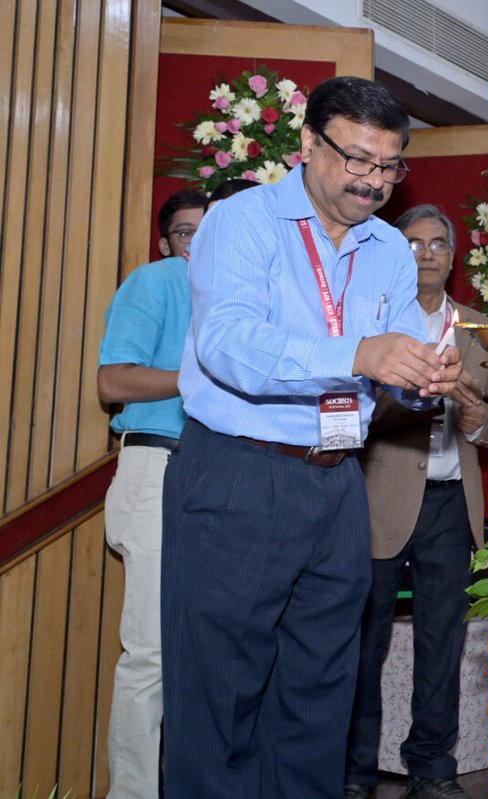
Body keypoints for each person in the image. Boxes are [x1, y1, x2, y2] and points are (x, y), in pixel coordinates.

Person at [160, 76, 463, 798]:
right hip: (239, 474)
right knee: (220, 697)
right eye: (357, 160)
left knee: (320, 698)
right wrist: (357, 354)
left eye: (388, 166)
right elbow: (227, 344)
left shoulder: (388, 248)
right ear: (307, 144)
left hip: (337, 482)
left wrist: (417, 373)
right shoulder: (244, 222)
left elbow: (380, 371)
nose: (373, 182)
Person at [344, 204, 488, 799]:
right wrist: (411, 395)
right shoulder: (376, 320)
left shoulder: (478, 327)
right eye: (415, 243)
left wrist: (476, 418)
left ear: (453, 255)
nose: (428, 253)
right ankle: (354, 771)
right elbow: (351, 411)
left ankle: (432, 767)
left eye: (439, 243)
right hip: (378, 500)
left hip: (450, 507)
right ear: (395, 253)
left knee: (445, 640)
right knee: (366, 643)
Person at [96, 187, 205, 798]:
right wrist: (207, 377)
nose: (197, 244)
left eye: (208, 232)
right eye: (186, 233)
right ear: (167, 242)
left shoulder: (237, 292)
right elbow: (113, 381)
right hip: (158, 468)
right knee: (153, 656)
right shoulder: (158, 281)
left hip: (223, 476)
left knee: (208, 655)